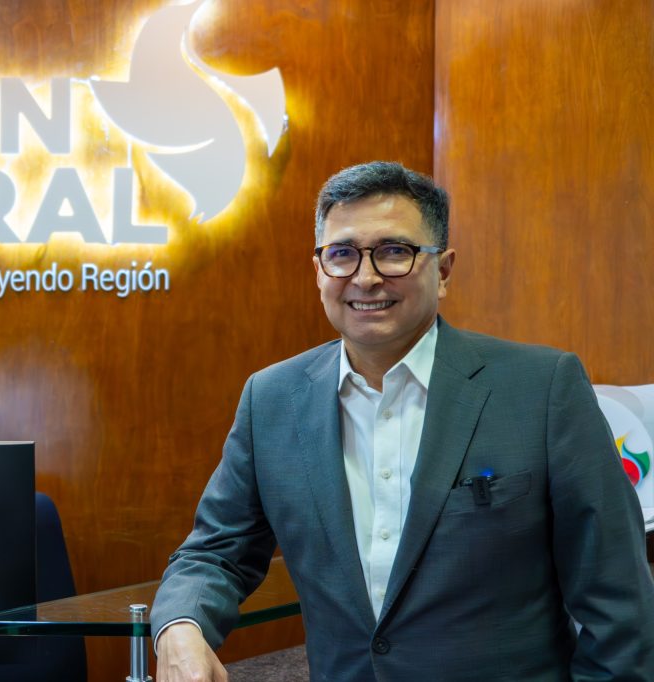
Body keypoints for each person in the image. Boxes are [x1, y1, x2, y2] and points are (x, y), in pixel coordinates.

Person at [150, 161, 654, 681]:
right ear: (319, 270)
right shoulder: (273, 398)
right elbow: (215, 552)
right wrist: (181, 626)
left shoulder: (542, 388)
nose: (366, 278)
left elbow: (618, 601)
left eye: (394, 251)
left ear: (444, 270)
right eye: (342, 254)